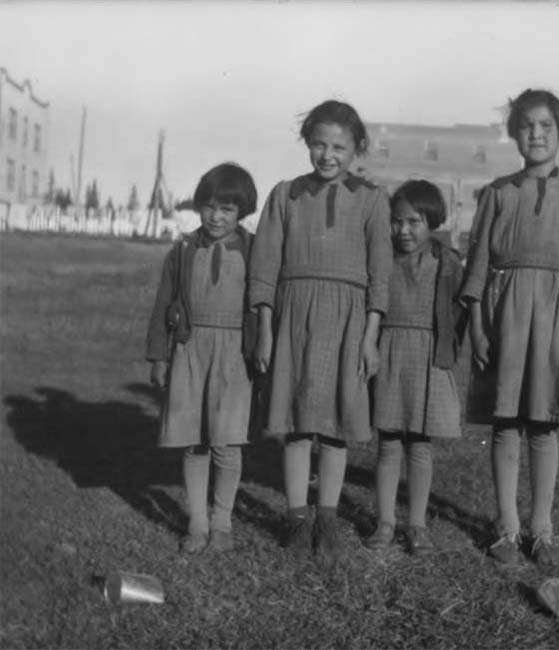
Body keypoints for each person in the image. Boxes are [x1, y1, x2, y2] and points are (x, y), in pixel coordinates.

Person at [459, 89, 559, 566]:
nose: (536, 134)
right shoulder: (498, 193)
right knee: (505, 423)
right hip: (505, 315)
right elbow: (477, 268)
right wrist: (479, 329)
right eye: (527, 126)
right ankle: (506, 528)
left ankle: (541, 529)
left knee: (544, 426)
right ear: (514, 133)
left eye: (546, 126)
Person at [249, 99, 392, 562]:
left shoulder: (371, 200)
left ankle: (327, 517)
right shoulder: (285, 194)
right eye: (319, 145)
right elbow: (265, 267)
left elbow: (380, 274)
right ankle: (295, 516)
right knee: (294, 422)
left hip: (349, 319)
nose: (328, 155)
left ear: (356, 150)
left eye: (339, 147)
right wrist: (266, 330)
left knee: (334, 425)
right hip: (293, 315)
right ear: (307, 144)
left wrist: (370, 337)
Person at [145, 162, 258, 553]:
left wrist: (262, 353)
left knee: (226, 443)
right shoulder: (182, 250)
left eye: (227, 209)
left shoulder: (254, 250)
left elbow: (264, 308)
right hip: (190, 349)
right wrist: (159, 357)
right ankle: (196, 521)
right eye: (209, 206)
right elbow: (164, 304)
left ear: (241, 211)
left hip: (233, 356)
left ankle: (222, 521)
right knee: (194, 441)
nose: (216, 216)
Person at [364, 180, 465, 555]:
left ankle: (417, 524)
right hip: (389, 351)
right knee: (388, 444)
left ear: (433, 221)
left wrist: (447, 349)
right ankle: (385, 522)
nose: (403, 230)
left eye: (414, 222)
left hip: (427, 357)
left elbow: (461, 309)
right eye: (397, 221)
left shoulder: (447, 261)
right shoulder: (381, 258)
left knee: (420, 446)